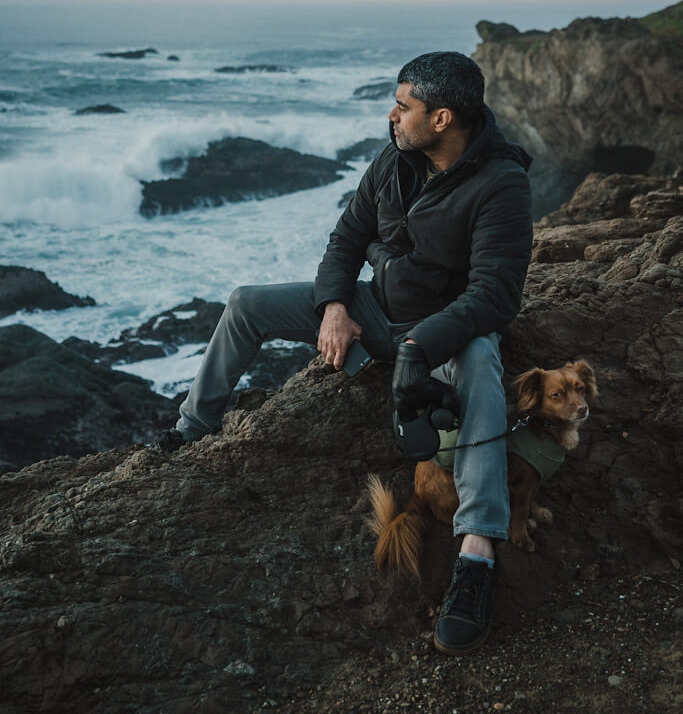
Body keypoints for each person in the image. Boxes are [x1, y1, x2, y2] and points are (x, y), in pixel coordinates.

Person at [155, 50, 533, 655]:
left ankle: (478, 552)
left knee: (484, 362)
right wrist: (335, 307)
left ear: (441, 118)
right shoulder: (395, 158)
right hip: (371, 307)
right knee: (245, 301)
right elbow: (347, 238)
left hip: (446, 328)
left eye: (403, 105)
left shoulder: (502, 183)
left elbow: (495, 294)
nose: (391, 115)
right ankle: (193, 426)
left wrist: (418, 345)